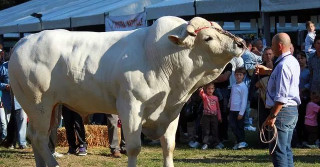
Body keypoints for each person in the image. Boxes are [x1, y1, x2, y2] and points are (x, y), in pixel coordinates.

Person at [256, 33, 300, 167]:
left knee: (278, 151)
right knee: (285, 149)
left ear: (280, 46)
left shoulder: (282, 65)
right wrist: (268, 71)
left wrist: (272, 116)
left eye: (273, 45)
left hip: (282, 112)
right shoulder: (291, 61)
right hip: (290, 111)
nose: (271, 48)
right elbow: (282, 76)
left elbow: (281, 96)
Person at [0, 52, 28, 149]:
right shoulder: (3, 67)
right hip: (8, 99)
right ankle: (10, 142)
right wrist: (4, 86)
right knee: (8, 121)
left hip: (21, 98)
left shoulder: (23, 67)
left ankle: (22, 143)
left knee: (22, 119)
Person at [198, 83, 223, 150]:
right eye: (208, 88)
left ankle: (216, 143)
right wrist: (201, 89)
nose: (210, 90)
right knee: (206, 130)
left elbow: (218, 108)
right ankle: (205, 143)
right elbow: (201, 94)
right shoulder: (205, 97)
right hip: (206, 116)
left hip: (214, 116)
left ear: (214, 89)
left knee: (215, 130)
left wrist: (219, 117)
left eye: (212, 88)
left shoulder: (216, 98)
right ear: (206, 89)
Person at [229, 67, 248, 150]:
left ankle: (242, 141)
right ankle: (238, 141)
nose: (238, 76)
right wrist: (229, 104)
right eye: (237, 75)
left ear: (243, 76)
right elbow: (232, 96)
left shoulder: (244, 87)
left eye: (240, 75)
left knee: (239, 127)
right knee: (233, 126)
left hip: (239, 110)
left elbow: (244, 101)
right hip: (232, 109)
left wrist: (241, 113)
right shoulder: (233, 85)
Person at [213, 63, 232, 142]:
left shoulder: (228, 64)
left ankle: (223, 136)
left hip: (223, 91)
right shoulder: (213, 63)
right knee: (212, 114)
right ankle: (214, 136)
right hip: (212, 91)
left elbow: (224, 78)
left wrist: (212, 77)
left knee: (223, 114)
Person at [296, 51, 310, 147]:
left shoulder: (308, 71)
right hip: (296, 98)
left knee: (304, 118)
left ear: (305, 59)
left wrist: (304, 88)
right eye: (298, 58)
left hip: (305, 97)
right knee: (297, 120)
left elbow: (310, 82)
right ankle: (297, 139)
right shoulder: (295, 69)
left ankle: (305, 139)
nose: (300, 60)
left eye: (302, 58)